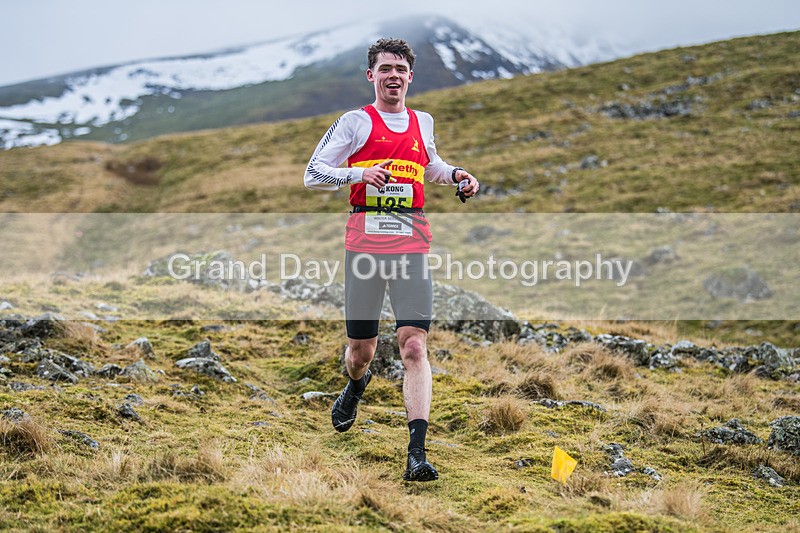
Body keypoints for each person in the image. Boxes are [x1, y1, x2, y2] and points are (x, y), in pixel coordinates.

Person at [304, 38, 479, 482]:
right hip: (364, 247)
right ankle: (355, 385)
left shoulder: (423, 121)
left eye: (401, 69)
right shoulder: (355, 123)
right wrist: (359, 172)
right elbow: (313, 175)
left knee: (414, 345)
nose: (393, 76)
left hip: (412, 245)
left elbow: (430, 165)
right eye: (385, 69)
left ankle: (416, 454)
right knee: (361, 352)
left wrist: (456, 174)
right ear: (372, 76)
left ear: (410, 77)